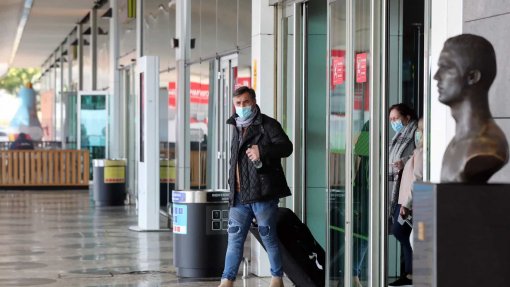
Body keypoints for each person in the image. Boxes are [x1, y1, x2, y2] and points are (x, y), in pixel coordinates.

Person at [219, 86, 293, 287]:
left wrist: (263, 150)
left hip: (263, 194)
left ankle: (276, 278)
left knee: (269, 239)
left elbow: (287, 147)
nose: (241, 107)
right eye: (238, 103)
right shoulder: (236, 125)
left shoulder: (268, 124)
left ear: (253, 102)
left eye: (245, 102)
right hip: (239, 195)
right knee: (234, 240)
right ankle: (227, 279)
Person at [435, 34, 508, 182]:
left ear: (472, 77)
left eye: (446, 68)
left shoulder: (488, 147)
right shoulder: (455, 144)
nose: (436, 76)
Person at [389, 118, 423, 287]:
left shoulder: (422, 153)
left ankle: (412, 273)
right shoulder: (417, 152)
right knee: (404, 235)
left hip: (408, 202)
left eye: (421, 130)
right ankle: (409, 273)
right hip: (403, 200)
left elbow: (416, 179)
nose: (418, 133)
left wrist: (407, 204)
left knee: (400, 232)